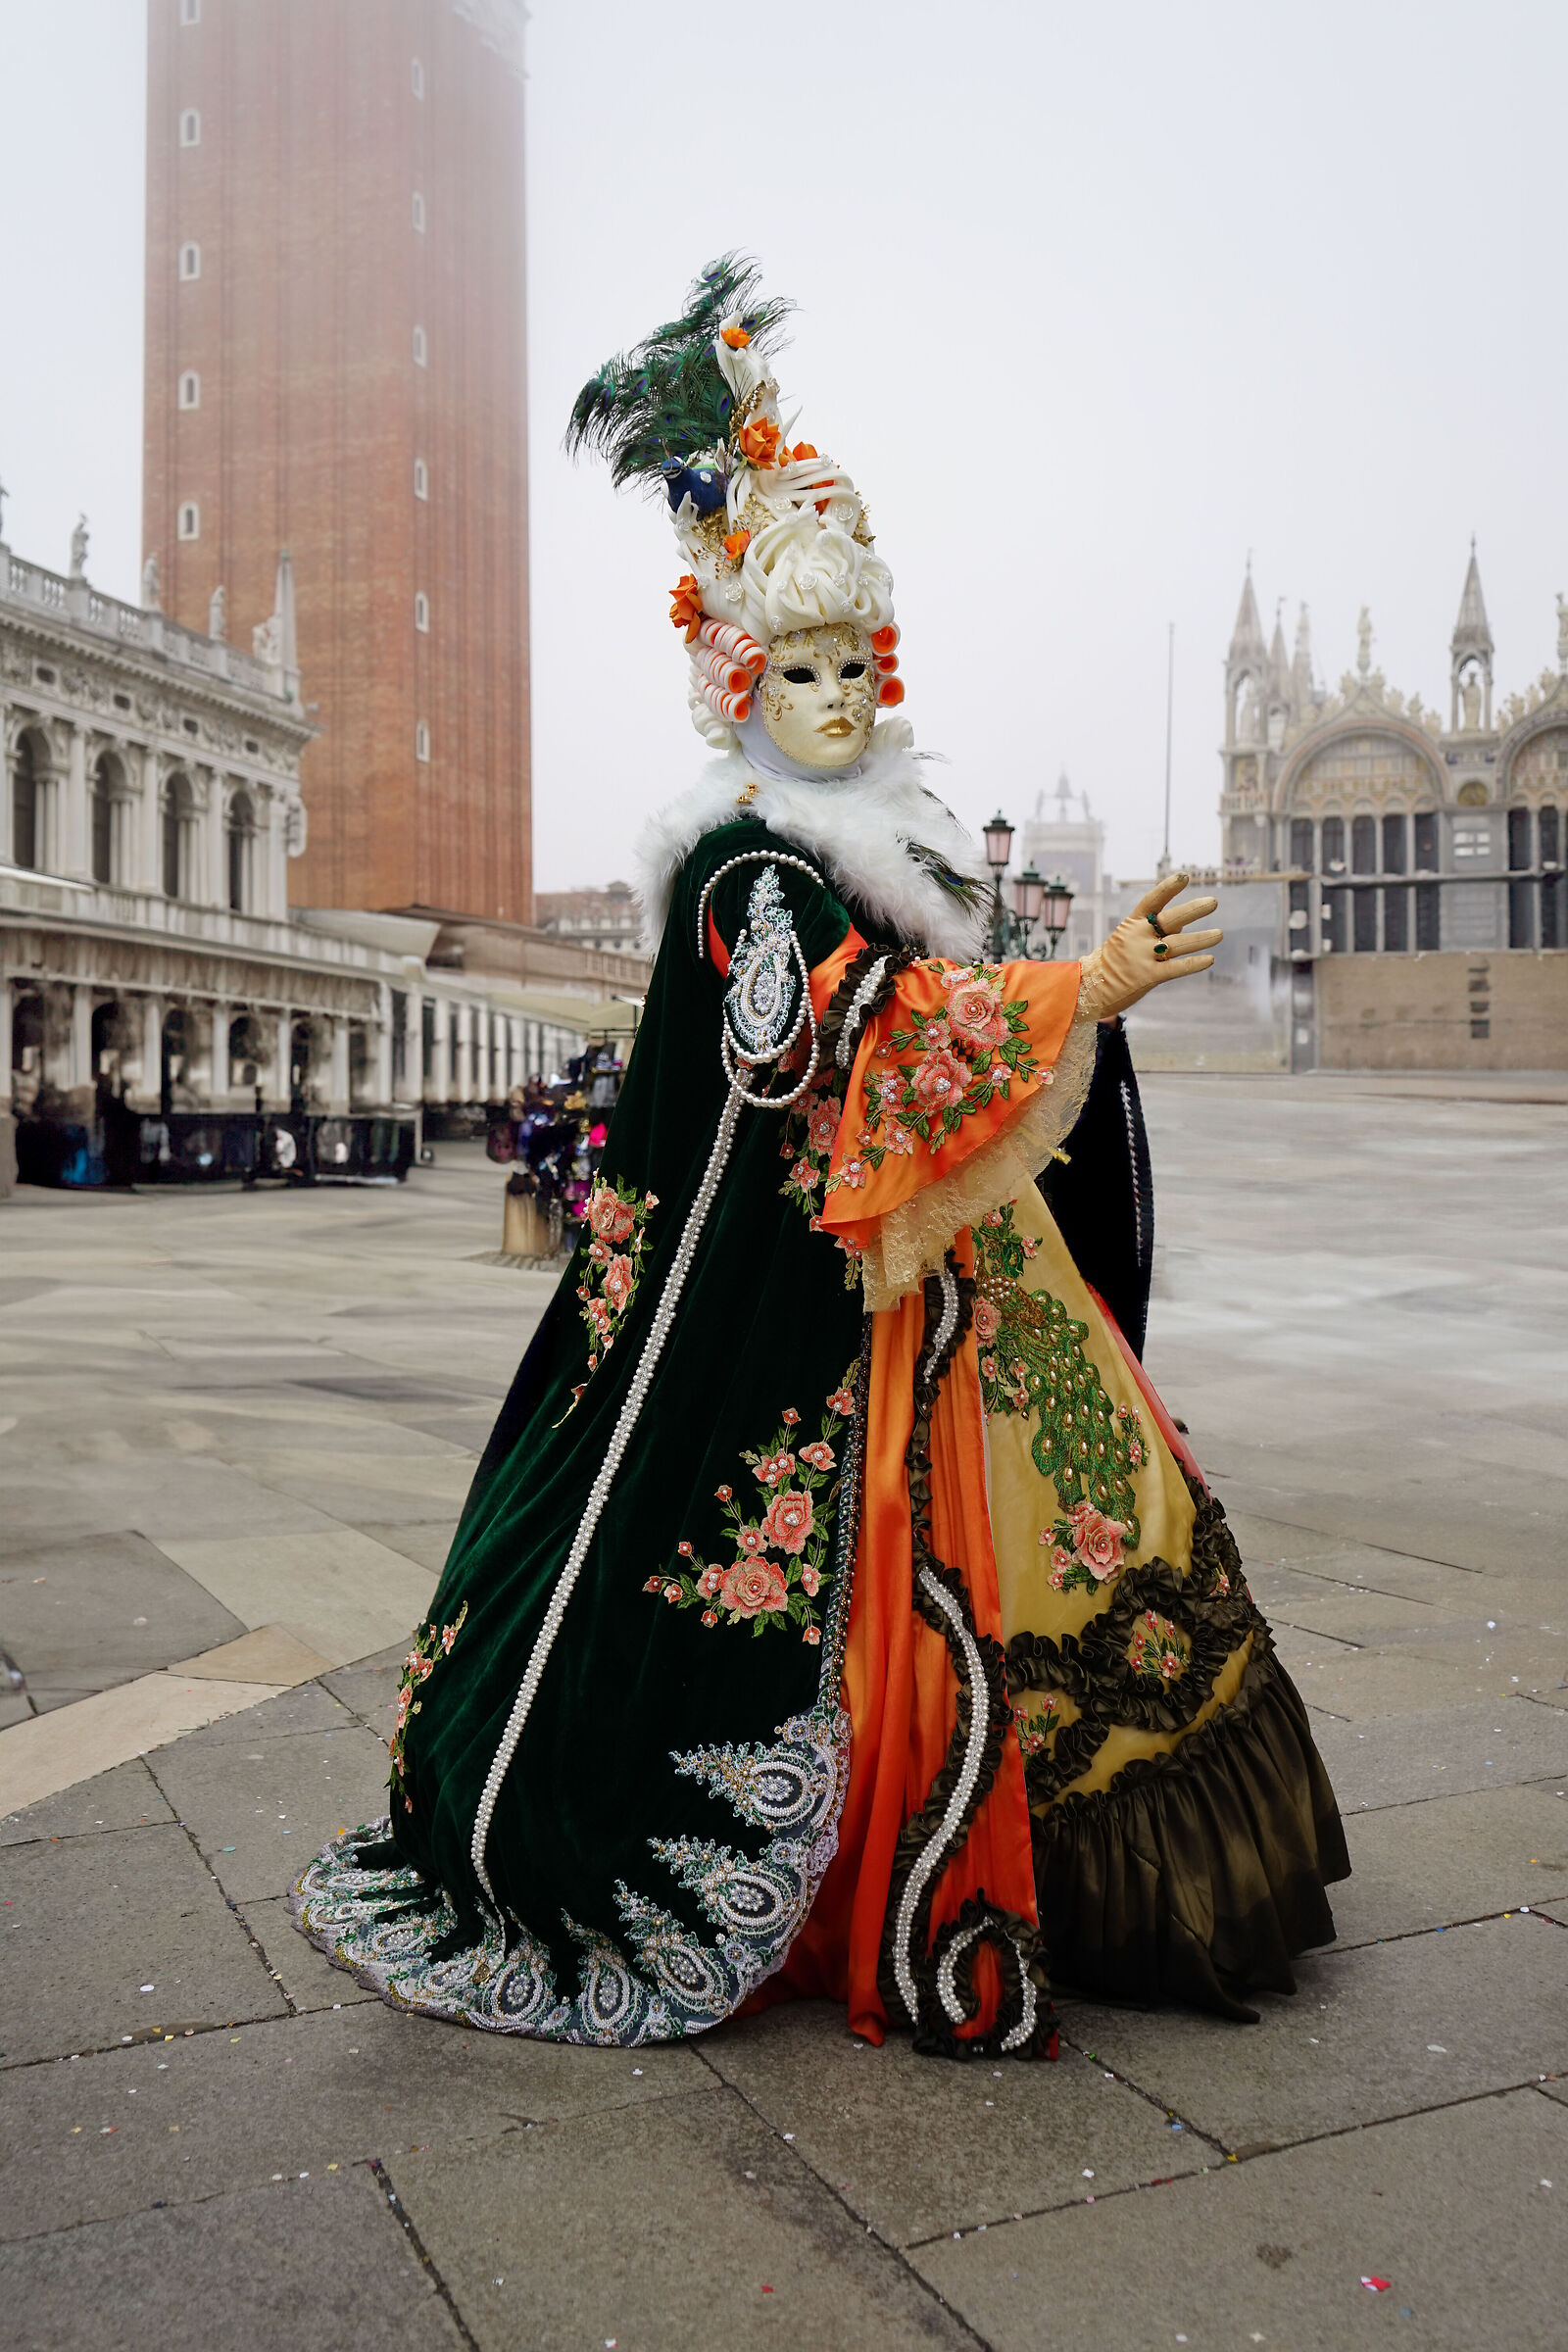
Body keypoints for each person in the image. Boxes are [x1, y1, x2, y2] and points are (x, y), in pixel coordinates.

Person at [294, 260, 1347, 2056]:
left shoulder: (889, 845)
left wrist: (1040, 976)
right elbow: (829, 1048)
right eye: (799, 666)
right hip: (844, 1305)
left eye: (857, 661)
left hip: (957, 1280)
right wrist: (1072, 983)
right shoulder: (746, 875)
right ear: (737, 686)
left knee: (1114, 1513)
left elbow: (910, 1015)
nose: (838, 694)